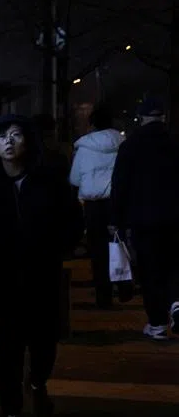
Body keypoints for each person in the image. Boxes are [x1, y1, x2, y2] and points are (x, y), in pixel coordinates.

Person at [0, 116, 83, 417]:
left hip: (42, 276)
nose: (9, 142)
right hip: (1, 280)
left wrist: (54, 248)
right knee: (6, 350)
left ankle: (38, 383)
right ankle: (11, 414)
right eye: (1, 137)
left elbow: (72, 222)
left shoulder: (49, 181)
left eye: (16, 135)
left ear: (29, 141)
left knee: (43, 342)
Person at [111, 96, 179, 340]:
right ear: (163, 117)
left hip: (143, 219)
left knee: (151, 271)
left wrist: (117, 219)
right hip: (175, 217)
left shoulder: (131, 146)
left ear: (141, 118)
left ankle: (157, 324)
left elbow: (120, 184)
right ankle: (176, 301)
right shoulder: (174, 141)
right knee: (174, 265)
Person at [69, 106, 125, 308]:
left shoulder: (83, 147)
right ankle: (123, 286)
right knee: (118, 246)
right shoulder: (122, 144)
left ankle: (103, 295)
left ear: (92, 124)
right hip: (117, 202)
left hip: (93, 206)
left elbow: (74, 179)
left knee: (98, 250)